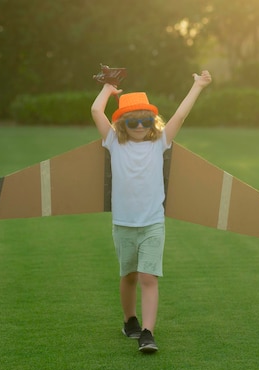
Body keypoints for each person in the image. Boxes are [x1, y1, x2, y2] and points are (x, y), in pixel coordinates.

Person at [91, 70, 212, 353]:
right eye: (133, 120)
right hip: (123, 224)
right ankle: (129, 321)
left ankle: (148, 332)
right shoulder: (113, 142)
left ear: (153, 121)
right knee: (129, 275)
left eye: (146, 119)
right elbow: (96, 110)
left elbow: (180, 116)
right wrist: (109, 89)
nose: (140, 125)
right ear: (121, 123)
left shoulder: (159, 142)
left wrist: (197, 85)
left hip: (152, 224)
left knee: (148, 277)